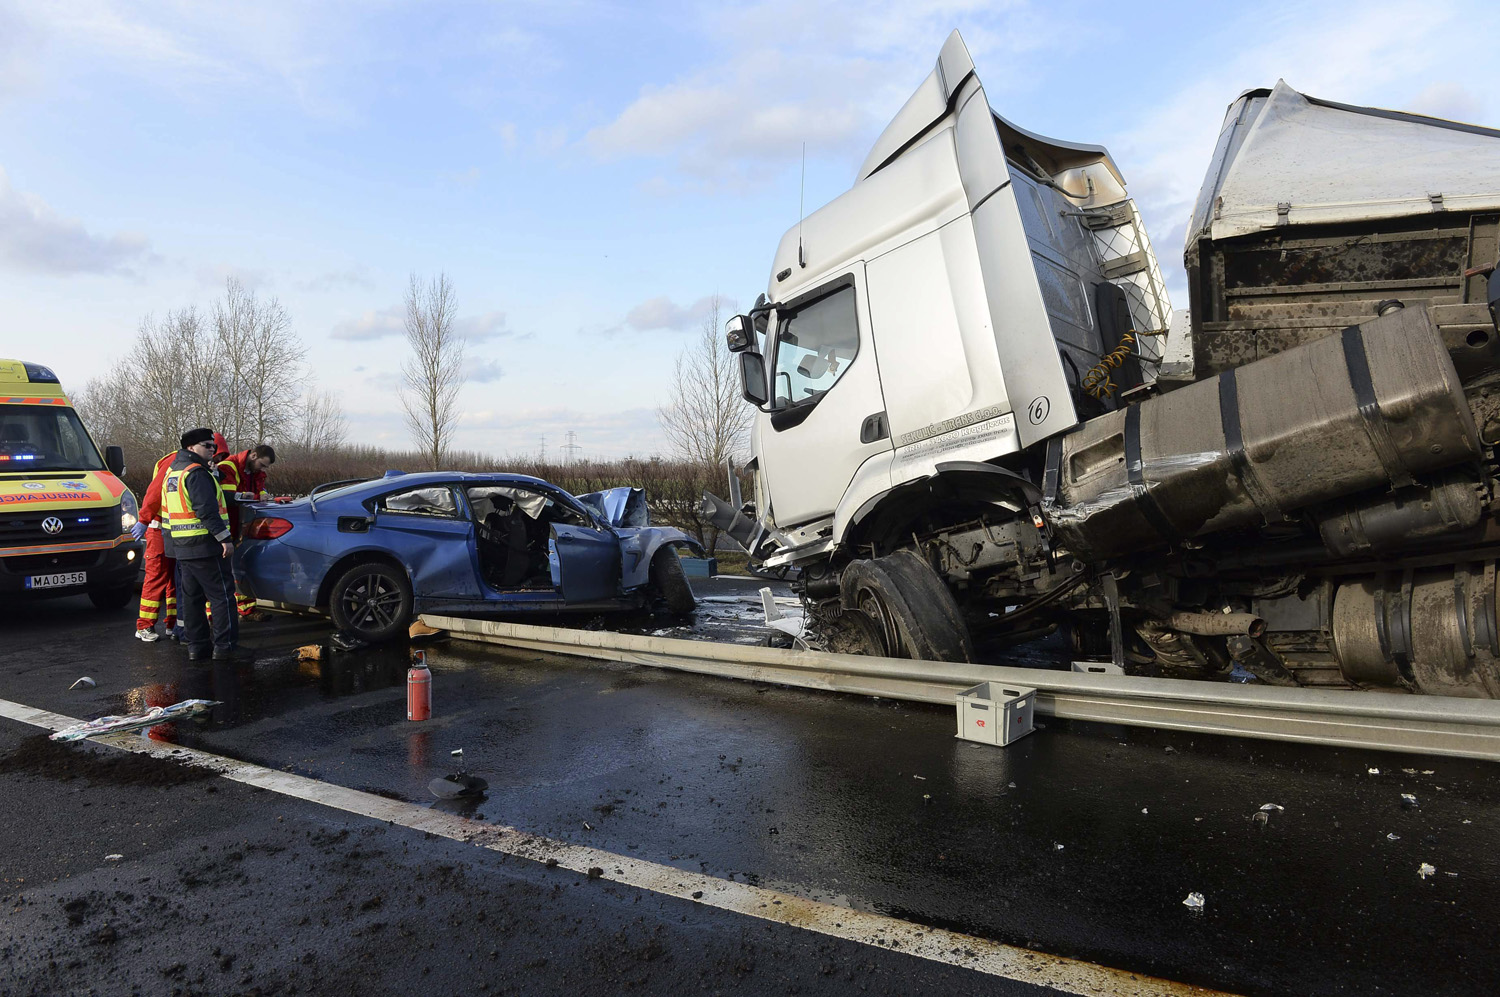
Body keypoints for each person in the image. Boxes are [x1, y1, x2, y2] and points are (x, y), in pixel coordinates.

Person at [162, 427, 239, 661]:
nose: (212, 449)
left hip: (183, 547)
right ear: (191, 447)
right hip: (205, 546)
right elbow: (206, 511)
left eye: (213, 446)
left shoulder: (174, 472)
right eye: (207, 445)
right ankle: (225, 648)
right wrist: (224, 538)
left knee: (193, 599)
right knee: (222, 597)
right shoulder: (196, 473)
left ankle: (197, 647)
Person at [216, 443, 276, 619]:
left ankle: (247, 608)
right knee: (220, 572)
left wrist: (263, 495)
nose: (263, 469)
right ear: (254, 456)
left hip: (243, 525)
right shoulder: (229, 466)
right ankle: (214, 615)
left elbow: (259, 489)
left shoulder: (256, 472)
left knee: (241, 568)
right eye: (262, 465)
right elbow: (228, 497)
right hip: (228, 525)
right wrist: (249, 496)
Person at [132, 448, 181, 642]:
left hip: (173, 529)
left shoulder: (185, 461)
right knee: (157, 576)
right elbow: (154, 492)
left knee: (174, 579)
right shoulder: (174, 461)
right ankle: (144, 626)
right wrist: (143, 520)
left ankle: (172, 623)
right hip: (159, 528)